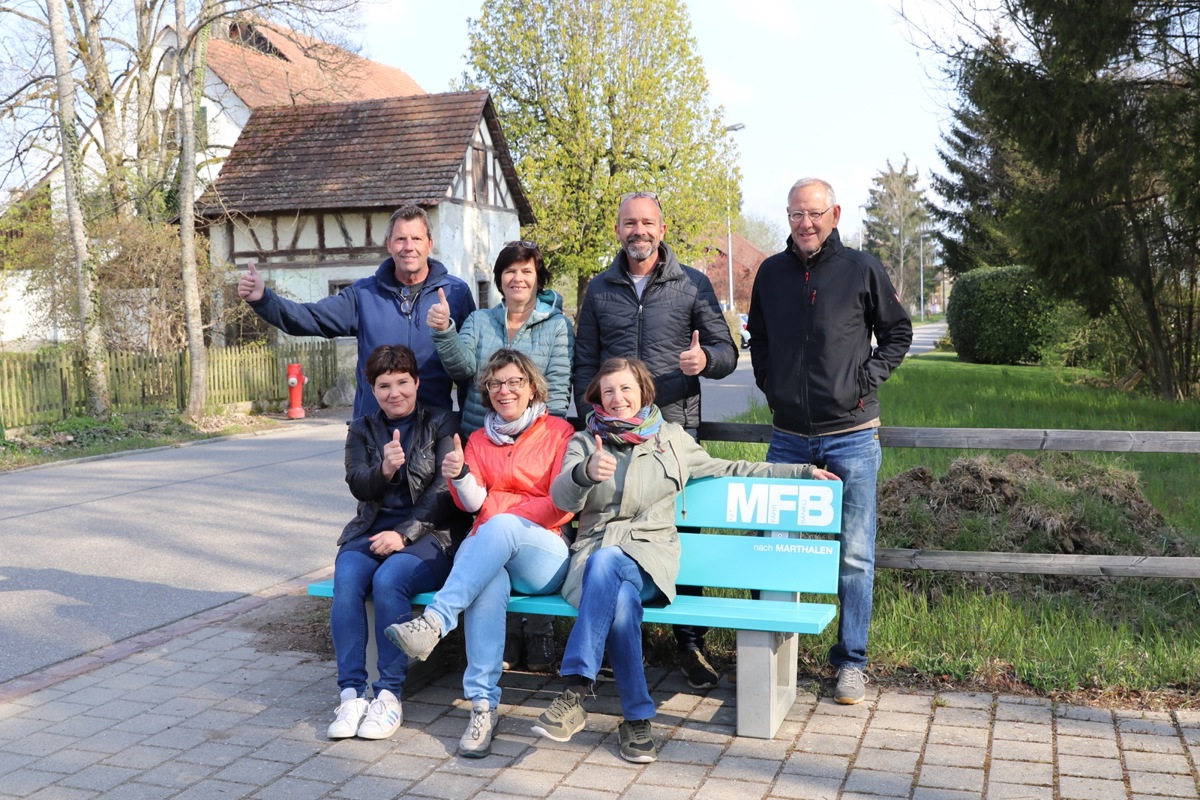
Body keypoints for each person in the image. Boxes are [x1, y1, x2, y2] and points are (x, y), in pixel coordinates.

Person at [532, 357, 839, 763]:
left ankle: (573, 690)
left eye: (626, 389)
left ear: (642, 391)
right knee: (619, 600)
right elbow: (560, 498)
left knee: (610, 567)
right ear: (597, 399)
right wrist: (585, 473)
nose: (618, 398)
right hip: (594, 557)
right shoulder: (586, 442)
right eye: (608, 392)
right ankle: (637, 719)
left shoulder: (672, 439)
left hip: (650, 557)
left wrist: (800, 473)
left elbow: (732, 467)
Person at [747, 177, 912, 705]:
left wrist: (864, 380)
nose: (806, 223)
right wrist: (770, 385)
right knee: (773, 549)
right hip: (789, 440)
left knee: (856, 556)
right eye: (796, 214)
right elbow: (761, 340)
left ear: (835, 214)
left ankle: (851, 663)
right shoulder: (770, 273)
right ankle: (771, 660)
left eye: (815, 213)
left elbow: (898, 332)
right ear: (788, 217)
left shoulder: (861, 268)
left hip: (853, 439)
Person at [572, 191, 739, 690]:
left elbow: (727, 352)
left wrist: (705, 361)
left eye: (647, 222)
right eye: (629, 223)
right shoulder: (600, 290)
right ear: (618, 229)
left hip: (673, 432)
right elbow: (585, 365)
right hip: (614, 439)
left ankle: (688, 643)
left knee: (680, 536)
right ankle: (621, 640)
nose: (638, 231)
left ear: (661, 228)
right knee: (612, 529)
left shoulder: (692, 284)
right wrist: (591, 419)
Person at [384, 349, 575, 758]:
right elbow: (473, 504)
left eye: (513, 382)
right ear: (486, 392)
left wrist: (504, 516)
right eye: (495, 384)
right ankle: (483, 707)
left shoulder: (559, 432)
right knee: (488, 581)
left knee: (498, 526)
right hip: (494, 552)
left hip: (544, 554)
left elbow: (564, 503)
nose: (504, 391)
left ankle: (434, 621)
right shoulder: (477, 438)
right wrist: (461, 476)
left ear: (531, 387)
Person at [427, 240, 575, 673]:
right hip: (483, 440)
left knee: (524, 521)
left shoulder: (555, 325)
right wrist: (444, 331)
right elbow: (461, 369)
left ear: (538, 278)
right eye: (510, 271)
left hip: (538, 439)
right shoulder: (479, 320)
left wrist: (545, 437)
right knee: (488, 529)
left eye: (526, 271)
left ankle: (539, 630)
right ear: (499, 278)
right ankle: (505, 637)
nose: (518, 278)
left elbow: (560, 387)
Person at [326, 344, 468, 741]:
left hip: (431, 534)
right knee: (348, 574)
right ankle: (351, 693)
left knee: (391, 579)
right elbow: (357, 482)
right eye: (384, 385)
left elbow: (444, 488)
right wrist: (385, 469)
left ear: (417, 382)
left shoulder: (441, 421)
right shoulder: (361, 428)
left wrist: (404, 533)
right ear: (373, 389)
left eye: (403, 382)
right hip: (371, 528)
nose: (395, 393)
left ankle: (389, 695)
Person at [237, 205, 475, 417]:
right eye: (401, 239)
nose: (409, 247)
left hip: (433, 429)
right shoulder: (363, 295)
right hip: (373, 432)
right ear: (389, 245)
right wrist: (264, 299)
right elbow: (310, 318)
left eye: (417, 238)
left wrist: (467, 426)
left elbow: (468, 369)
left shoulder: (455, 293)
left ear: (430, 244)